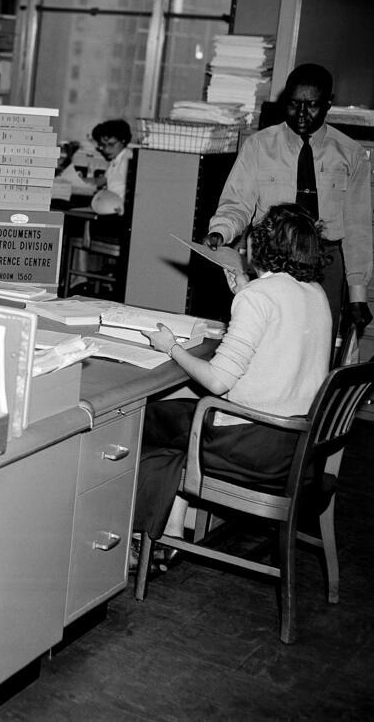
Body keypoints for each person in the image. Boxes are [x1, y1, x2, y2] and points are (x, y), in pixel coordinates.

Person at [135, 204, 332, 543]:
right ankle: (172, 528)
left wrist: (171, 347)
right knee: (176, 418)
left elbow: (217, 381)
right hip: (297, 447)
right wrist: (246, 292)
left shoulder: (258, 296)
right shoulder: (316, 292)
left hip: (252, 446)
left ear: (260, 246)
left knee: (143, 421)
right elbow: (279, 337)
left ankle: (148, 535)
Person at [203, 63, 372, 352]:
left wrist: (358, 295)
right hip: (272, 258)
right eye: (294, 105)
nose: (301, 114)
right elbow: (237, 203)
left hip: (324, 260)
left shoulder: (350, 154)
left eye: (312, 105)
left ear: (328, 103)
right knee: (265, 344)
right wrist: (221, 231)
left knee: (315, 349)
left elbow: (357, 229)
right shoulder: (259, 146)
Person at [89, 118, 133, 215]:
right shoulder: (116, 159)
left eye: (111, 144)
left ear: (123, 140)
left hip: (121, 211)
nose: (106, 150)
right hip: (113, 208)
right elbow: (102, 180)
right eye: (103, 145)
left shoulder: (127, 160)